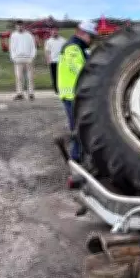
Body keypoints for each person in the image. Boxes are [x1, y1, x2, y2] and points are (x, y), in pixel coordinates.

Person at [57, 20, 98, 169]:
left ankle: (79, 157)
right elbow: (80, 70)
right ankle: (76, 160)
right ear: (81, 33)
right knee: (78, 128)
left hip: (75, 95)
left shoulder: (78, 47)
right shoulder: (73, 48)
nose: (91, 40)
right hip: (72, 96)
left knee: (79, 127)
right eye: (91, 37)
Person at [9, 20, 37, 101]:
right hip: (18, 59)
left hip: (28, 58)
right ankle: (20, 93)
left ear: (23, 26)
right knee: (19, 77)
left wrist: (32, 57)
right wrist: (13, 57)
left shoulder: (29, 35)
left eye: (21, 25)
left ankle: (31, 93)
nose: (20, 27)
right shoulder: (13, 35)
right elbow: (11, 47)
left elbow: (33, 47)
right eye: (18, 26)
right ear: (16, 26)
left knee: (30, 77)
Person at [44, 27, 66, 95]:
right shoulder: (48, 41)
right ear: (51, 32)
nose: (54, 32)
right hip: (53, 61)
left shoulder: (63, 40)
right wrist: (48, 60)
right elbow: (47, 51)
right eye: (53, 31)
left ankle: (62, 88)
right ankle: (56, 90)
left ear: (58, 31)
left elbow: (66, 50)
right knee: (54, 76)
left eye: (55, 31)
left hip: (62, 61)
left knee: (62, 76)